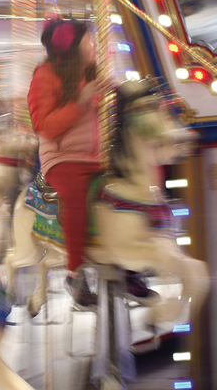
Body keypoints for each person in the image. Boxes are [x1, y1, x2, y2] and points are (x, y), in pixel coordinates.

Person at [27, 16, 149, 305]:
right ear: (71, 47)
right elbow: (44, 125)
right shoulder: (44, 76)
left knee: (128, 195)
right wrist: (81, 100)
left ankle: (127, 266)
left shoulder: (95, 73)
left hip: (98, 158)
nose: (94, 45)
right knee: (75, 198)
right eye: (88, 40)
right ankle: (75, 274)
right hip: (63, 159)